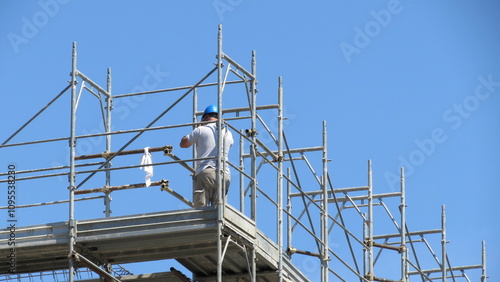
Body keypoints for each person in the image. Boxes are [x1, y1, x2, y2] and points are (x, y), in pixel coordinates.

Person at [180, 104, 234, 207]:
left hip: (206, 172)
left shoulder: (201, 130)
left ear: (205, 117)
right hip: (224, 174)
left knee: (201, 212)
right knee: (219, 213)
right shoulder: (228, 133)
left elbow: (183, 144)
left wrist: (197, 128)